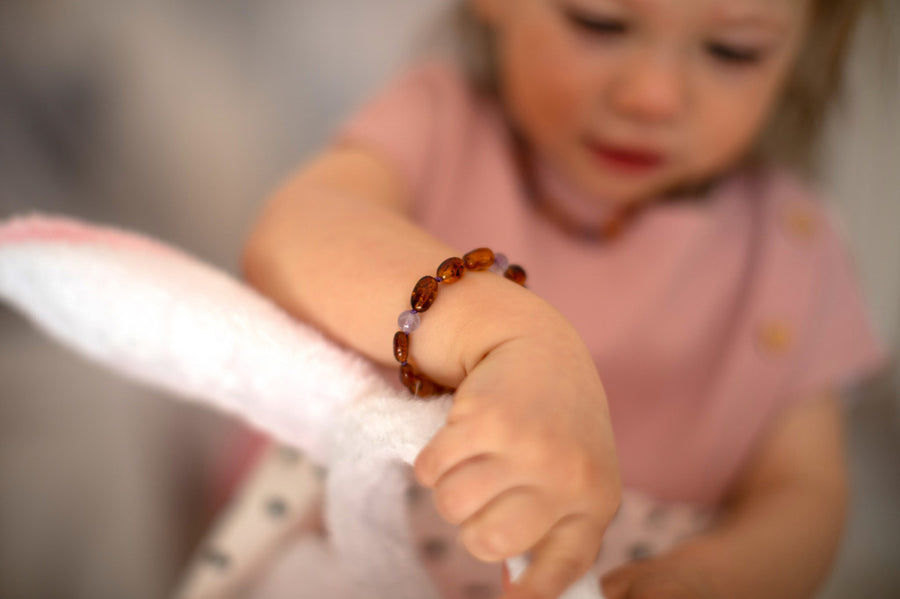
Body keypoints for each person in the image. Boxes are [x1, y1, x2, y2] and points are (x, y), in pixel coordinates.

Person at [241, 1, 886, 597]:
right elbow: (293, 231)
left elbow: (804, 495)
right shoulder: (440, 123)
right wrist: (500, 333)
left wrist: (717, 576)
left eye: (732, 51)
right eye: (600, 23)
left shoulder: (793, 248)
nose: (651, 96)